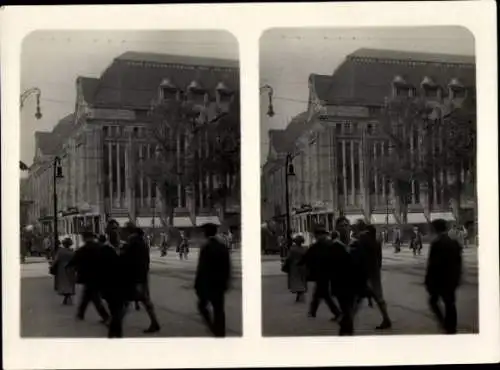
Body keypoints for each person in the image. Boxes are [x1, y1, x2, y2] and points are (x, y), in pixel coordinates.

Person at [120, 223, 161, 333]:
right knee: (144, 300)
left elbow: (126, 260)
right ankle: (154, 322)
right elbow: (146, 261)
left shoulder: (132, 243)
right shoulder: (142, 242)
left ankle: (116, 323)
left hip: (134, 277)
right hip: (141, 276)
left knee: (126, 300)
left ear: (128, 232)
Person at [425, 219, 463, 334]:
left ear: (435, 229)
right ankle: (451, 327)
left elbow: (433, 265)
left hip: (439, 280)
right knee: (450, 303)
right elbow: (458, 262)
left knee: (433, 301)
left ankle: (444, 323)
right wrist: (457, 277)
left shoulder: (436, 244)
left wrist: (428, 280)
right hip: (451, 279)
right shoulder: (454, 242)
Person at [195, 223, 231, 337]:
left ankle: (213, 328)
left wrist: (197, 285)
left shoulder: (206, 248)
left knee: (202, 306)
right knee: (219, 310)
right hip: (220, 285)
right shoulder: (222, 247)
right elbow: (227, 266)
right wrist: (226, 282)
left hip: (208, 285)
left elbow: (202, 269)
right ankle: (221, 333)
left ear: (205, 233)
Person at [67, 230, 110, 324]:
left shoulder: (83, 249)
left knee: (93, 297)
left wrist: (69, 266)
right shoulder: (100, 247)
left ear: (85, 238)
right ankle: (81, 313)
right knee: (88, 295)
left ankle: (105, 316)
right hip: (99, 276)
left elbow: (74, 260)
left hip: (88, 276)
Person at [300, 226, 342, 322]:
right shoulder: (328, 244)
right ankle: (313, 311)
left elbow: (307, 257)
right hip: (326, 272)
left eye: (317, 235)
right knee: (320, 292)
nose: (317, 237)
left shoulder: (318, 246)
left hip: (322, 273)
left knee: (323, 293)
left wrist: (301, 263)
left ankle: (336, 313)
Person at [359, 225, 392, 329]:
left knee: (361, 296)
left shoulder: (365, 242)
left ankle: (386, 319)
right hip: (374, 271)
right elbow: (380, 259)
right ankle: (386, 318)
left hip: (368, 273)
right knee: (377, 296)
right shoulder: (376, 242)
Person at [50, 237, 77, 305]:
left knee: (63, 282)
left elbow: (56, 260)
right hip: (71, 268)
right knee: (70, 282)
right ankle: (67, 297)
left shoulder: (60, 251)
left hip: (62, 268)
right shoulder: (72, 252)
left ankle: (67, 297)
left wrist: (52, 266)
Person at [283, 234, 308, 302]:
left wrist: (285, 264)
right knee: (302, 280)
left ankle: (300, 293)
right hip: (303, 266)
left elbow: (289, 258)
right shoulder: (305, 249)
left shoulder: (292, 249)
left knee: (296, 280)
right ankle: (300, 293)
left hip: (294, 266)